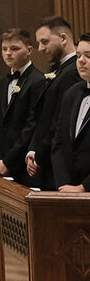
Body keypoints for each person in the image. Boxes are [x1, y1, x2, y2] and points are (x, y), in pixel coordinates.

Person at [26, 16, 82, 189]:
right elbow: (43, 115)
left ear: (64, 38)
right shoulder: (58, 69)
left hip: (58, 163)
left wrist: (39, 155)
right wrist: (32, 149)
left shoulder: (74, 71)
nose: (40, 48)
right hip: (45, 156)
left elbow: (59, 121)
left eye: (45, 42)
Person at [0, 28, 46, 182]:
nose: (8, 53)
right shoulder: (1, 83)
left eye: (14, 49)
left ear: (29, 50)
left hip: (23, 165)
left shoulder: (39, 81)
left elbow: (31, 125)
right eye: (4, 49)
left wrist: (8, 161)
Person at [51, 33, 90, 191]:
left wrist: (83, 187)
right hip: (68, 188)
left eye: (88, 55)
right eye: (79, 55)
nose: (80, 60)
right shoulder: (72, 93)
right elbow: (58, 141)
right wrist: (63, 183)